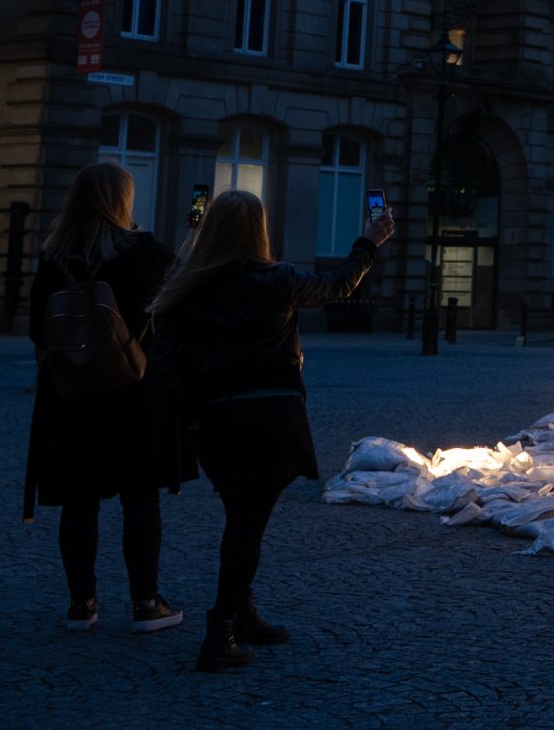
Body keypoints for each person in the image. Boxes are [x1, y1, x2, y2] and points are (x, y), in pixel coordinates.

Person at [154, 189, 392, 673]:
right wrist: (370, 242)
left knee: (242, 516)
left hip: (214, 423)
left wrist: (192, 417)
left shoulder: (187, 286)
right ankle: (220, 629)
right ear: (257, 230)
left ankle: (242, 613)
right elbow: (338, 285)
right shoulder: (275, 280)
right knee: (247, 525)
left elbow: (167, 361)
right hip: (268, 419)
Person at [24, 161, 189, 634]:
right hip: (133, 392)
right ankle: (146, 602)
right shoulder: (145, 251)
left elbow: (38, 327)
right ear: (124, 200)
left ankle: (82, 604)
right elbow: (172, 313)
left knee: (79, 501)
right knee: (141, 499)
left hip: (71, 395)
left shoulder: (54, 254)